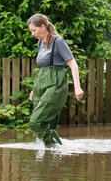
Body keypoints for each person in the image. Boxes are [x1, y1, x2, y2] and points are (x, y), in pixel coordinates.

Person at [27, 14, 84, 147]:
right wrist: (34, 89)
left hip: (55, 85)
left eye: (34, 30)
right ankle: (52, 156)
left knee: (35, 123)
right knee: (47, 125)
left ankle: (56, 148)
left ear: (43, 26)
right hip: (40, 86)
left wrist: (77, 87)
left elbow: (73, 64)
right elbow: (42, 68)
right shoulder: (40, 43)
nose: (32, 34)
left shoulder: (58, 42)